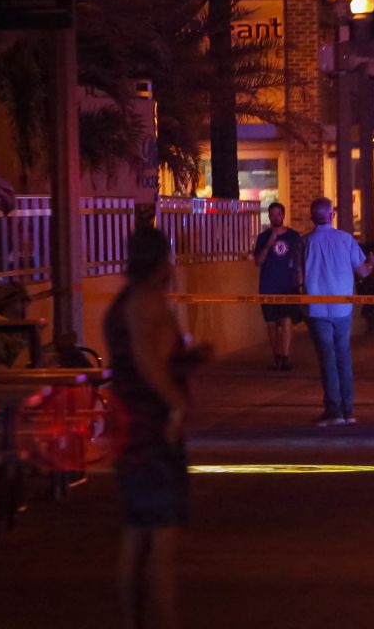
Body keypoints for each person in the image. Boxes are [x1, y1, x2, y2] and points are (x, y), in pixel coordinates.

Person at [104, 226, 212, 629]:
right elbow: (149, 362)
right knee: (163, 543)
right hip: (152, 429)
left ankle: (132, 621)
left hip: (131, 427)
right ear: (157, 261)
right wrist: (176, 405)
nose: (172, 265)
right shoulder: (147, 302)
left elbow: (146, 360)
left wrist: (190, 359)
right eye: (168, 257)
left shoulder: (123, 303)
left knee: (137, 534)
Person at [303, 197, 374, 426]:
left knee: (327, 357)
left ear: (312, 217)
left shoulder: (305, 242)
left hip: (316, 307)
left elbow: (296, 276)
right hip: (342, 307)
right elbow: (363, 272)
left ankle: (333, 409)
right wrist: (372, 262)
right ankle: (348, 410)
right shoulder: (345, 240)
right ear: (331, 215)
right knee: (343, 356)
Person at [253, 202, 304, 371]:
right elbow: (258, 262)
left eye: (278, 214)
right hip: (268, 285)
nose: (275, 217)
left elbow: (299, 260)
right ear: (269, 216)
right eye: (272, 214)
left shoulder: (294, 236)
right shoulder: (263, 237)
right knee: (272, 324)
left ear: (283, 215)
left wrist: (300, 277)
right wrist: (268, 245)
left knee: (287, 320)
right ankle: (276, 356)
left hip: (288, 285)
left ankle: (285, 357)